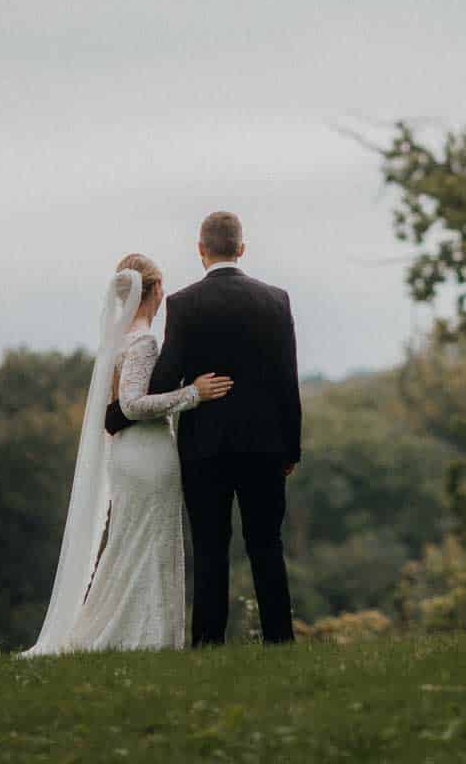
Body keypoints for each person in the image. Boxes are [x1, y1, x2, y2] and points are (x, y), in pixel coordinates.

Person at [21, 252, 231, 654]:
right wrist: (193, 394)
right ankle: (145, 636)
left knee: (128, 541)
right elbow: (134, 405)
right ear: (153, 292)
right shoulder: (145, 340)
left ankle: (121, 631)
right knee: (147, 542)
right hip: (148, 453)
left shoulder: (116, 341)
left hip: (127, 454)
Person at [149, 211, 301, 645]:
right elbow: (287, 382)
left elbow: (165, 381)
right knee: (267, 547)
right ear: (242, 248)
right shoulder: (276, 300)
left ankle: (208, 645)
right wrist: (291, 449)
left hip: (204, 449)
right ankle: (280, 642)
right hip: (266, 448)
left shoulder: (183, 304)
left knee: (211, 551)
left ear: (200, 250)